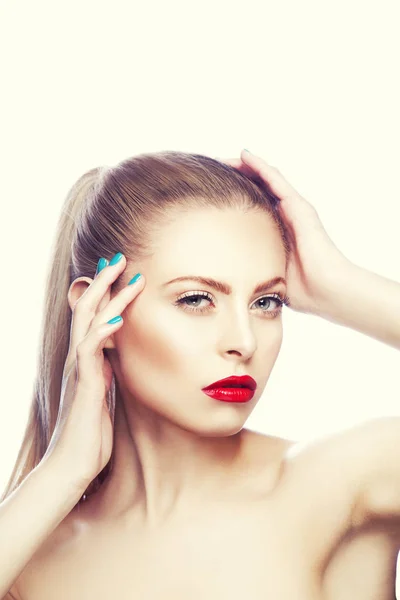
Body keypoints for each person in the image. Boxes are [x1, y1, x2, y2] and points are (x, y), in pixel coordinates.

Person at [0, 148, 399, 600]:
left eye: (266, 302)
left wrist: (340, 287)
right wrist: (62, 472)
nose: (244, 342)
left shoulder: (343, 482)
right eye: (196, 300)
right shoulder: (31, 558)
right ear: (99, 310)